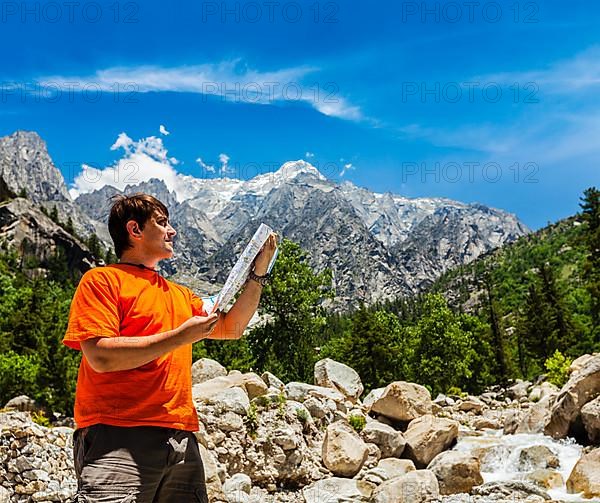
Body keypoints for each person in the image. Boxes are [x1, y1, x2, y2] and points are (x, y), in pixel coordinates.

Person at [63, 193, 277, 503]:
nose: (172, 231)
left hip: (180, 439)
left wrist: (258, 274)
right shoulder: (102, 281)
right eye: (162, 223)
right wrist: (179, 337)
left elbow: (232, 327)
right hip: (116, 436)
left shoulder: (180, 294)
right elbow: (100, 356)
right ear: (134, 230)